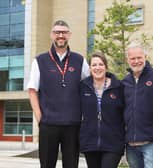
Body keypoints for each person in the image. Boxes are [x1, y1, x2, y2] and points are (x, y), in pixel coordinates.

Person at [27, 20, 89, 168]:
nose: (60, 35)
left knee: (71, 165)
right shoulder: (40, 61)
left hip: (73, 125)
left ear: (70, 35)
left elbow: (90, 86)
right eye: (57, 32)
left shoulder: (79, 60)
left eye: (64, 32)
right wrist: (40, 117)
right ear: (51, 35)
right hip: (48, 124)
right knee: (47, 165)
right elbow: (32, 90)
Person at [122, 42, 153, 168]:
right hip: (131, 144)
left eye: (139, 57)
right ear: (127, 60)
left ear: (145, 57)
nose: (136, 61)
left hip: (152, 142)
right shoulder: (124, 82)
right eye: (133, 58)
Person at [79, 52, 125, 168]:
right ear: (90, 68)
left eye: (101, 64)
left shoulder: (118, 87)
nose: (97, 68)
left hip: (113, 143)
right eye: (94, 65)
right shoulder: (83, 87)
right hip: (90, 142)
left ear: (106, 67)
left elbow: (126, 113)